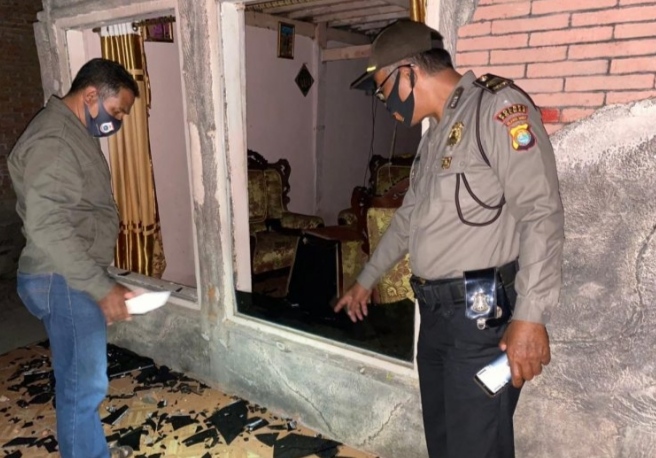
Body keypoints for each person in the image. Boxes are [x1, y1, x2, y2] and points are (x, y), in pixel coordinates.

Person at [335, 20, 564, 458]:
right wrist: (366, 279)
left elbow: (541, 212)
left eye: (383, 90)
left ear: (408, 72)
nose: (385, 103)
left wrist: (531, 315)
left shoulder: (495, 109)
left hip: (480, 318)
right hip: (435, 317)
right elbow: (407, 220)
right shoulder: (435, 135)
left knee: (475, 447)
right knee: (444, 443)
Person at [8, 58, 140, 458]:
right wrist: (99, 286)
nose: (118, 121)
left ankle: (87, 447)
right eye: (117, 111)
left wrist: (102, 279)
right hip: (61, 277)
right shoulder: (55, 140)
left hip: (69, 274)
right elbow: (48, 224)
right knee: (84, 387)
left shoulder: (71, 132)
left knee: (80, 382)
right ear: (91, 95)